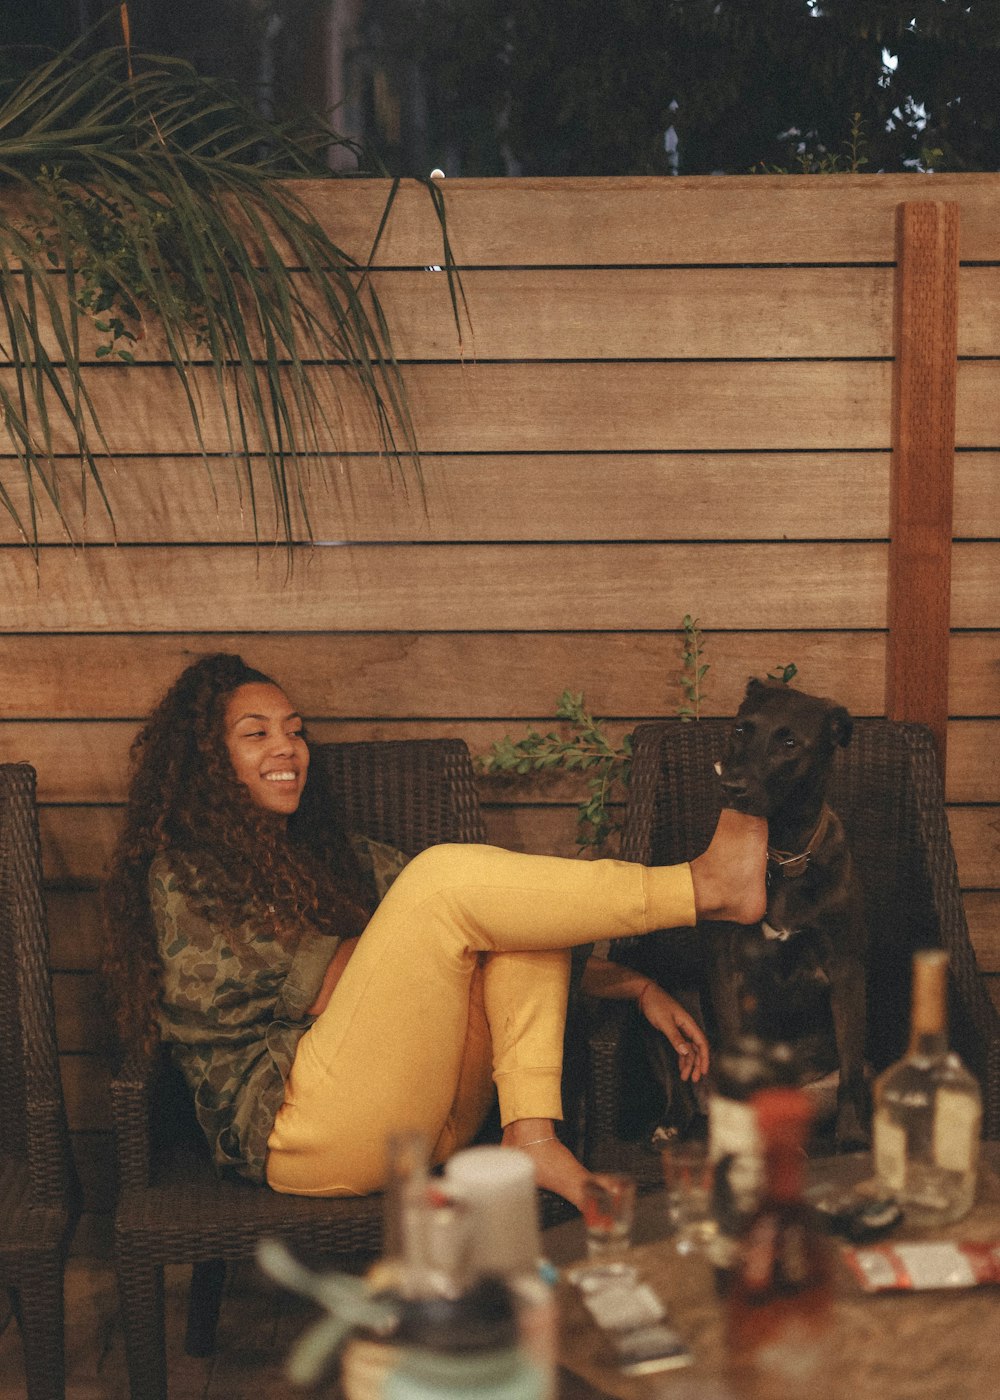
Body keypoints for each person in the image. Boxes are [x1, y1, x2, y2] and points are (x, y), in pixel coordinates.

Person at [102, 653, 767, 1209]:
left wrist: (635, 985)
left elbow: (481, 923)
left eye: (295, 731)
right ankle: (703, 887)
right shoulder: (187, 873)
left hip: (431, 1118)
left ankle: (531, 1137)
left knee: (519, 915)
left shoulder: (332, 854)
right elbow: (343, 987)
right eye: (257, 734)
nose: (287, 748)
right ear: (209, 760)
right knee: (445, 884)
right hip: (300, 1135)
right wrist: (432, 928)